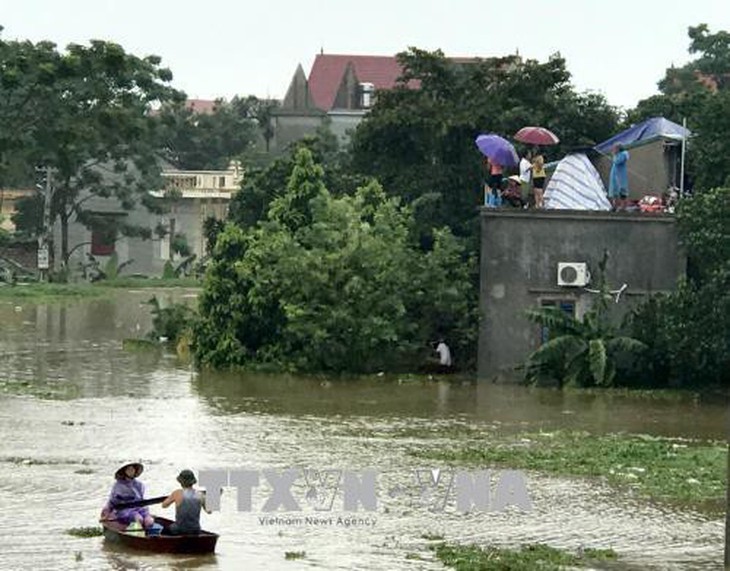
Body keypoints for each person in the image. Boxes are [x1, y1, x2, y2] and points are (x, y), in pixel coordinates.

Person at [100, 462, 155, 529]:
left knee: (149, 521)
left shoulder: (139, 485)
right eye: (128, 469)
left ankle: (149, 535)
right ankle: (136, 533)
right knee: (138, 519)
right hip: (124, 510)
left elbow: (142, 500)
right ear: (124, 471)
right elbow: (112, 501)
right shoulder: (118, 485)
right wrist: (107, 512)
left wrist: (145, 510)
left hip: (139, 508)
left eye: (132, 469)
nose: (131, 471)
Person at [161, 469, 211, 535]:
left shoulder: (177, 493)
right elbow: (209, 511)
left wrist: (171, 498)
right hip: (195, 530)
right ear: (193, 482)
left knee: (163, 531)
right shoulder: (200, 494)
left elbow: (164, 505)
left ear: (180, 482)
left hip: (179, 529)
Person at [608, 143, 630, 210]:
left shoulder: (623, 155)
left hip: (620, 176)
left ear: (618, 148)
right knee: (614, 192)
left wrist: (614, 155)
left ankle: (623, 207)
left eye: (614, 148)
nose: (613, 150)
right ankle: (615, 206)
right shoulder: (617, 155)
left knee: (622, 192)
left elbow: (617, 161)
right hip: (615, 176)